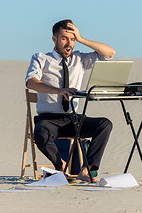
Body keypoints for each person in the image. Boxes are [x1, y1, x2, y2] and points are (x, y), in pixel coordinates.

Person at [25, 19, 115, 182]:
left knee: (105, 124)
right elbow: (31, 82)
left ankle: (87, 170)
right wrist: (58, 91)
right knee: (40, 134)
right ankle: (61, 166)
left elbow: (109, 53)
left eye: (72, 40)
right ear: (54, 39)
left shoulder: (79, 59)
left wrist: (81, 39)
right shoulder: (41, 58)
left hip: (72, 119)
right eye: (65, 38)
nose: (69, 44)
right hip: (49, 120)